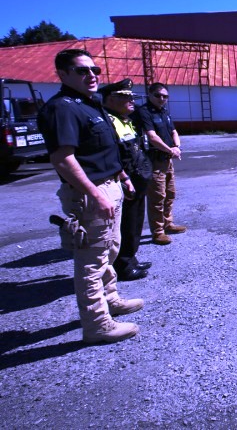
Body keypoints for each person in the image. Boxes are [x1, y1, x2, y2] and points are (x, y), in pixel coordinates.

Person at [37, 49, 142, 344]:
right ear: (62, 74)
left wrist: (123, 177)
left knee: (109, 250)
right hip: (90, 193)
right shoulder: (62, 108)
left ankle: (111, 300)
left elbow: (102, 150)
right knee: (91, 260)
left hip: (109, 185)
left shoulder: (90, 104)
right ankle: (97, 324)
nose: (92, 75)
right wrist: (95, 195)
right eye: (82, 71)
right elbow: (63, 159)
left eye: (94, 69)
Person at [100, 79, 152, 281]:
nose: (132, 101)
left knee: (135, 221)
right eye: (126, 97)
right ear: (111, 99)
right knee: (125, 224)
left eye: (132, 97)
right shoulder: (108, 121)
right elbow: (114, 156)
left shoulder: (124, 120)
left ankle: (131, 258)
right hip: (124, 180)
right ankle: (123, 265)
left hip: (136, 178)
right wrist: (125, 178)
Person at [135, 82, 186, 245]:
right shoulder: (144, 112)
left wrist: (176, 147)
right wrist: (170, 150)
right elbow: (152, 137)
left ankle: (168, 224)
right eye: (158, 95)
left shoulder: (164, 112)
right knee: (157, 197)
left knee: (170, 194)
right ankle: (157, 232)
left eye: (165, 96)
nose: (162, 99)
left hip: (167, 159)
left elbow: (173, 131)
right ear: (149, 94)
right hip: (154, 160)